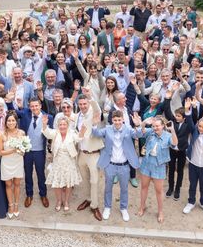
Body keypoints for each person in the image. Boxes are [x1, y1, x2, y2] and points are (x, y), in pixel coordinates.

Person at [91, 110, 145, 222]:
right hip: (110, 164)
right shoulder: (107, 129)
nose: (117, 122)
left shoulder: (128, 129)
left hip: (124, 165)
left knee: (124, 188)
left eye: (119, 120)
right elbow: (96, 134)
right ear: (112, 120)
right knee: (108, 187)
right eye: (115, 120)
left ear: (123, 119)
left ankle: (123, 208)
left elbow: (138, 134)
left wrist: (138, 124)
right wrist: (94, 124)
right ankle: (107, 207)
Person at [6, 96, 53, 208]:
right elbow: (13, 111)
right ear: (29, 107)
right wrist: (8, 102)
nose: (34, 108)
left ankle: (43, 194)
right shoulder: (26, 114)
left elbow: (51, 134)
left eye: (36, 105)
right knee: (28, 173)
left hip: (40, 151)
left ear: (40, 106)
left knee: (41, 173)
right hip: (27, 151)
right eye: (32, 106)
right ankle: (29, 194)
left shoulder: (48, 117)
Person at [138, 116, 178, 223]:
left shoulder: (168, 136)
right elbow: (140, 131)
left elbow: (174, 143)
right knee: (144, 187)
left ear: (163, 126)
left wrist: (173, 130)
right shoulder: (150, 132)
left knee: (159, 191)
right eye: (153, 126)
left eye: (157, 126)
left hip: (159, 165)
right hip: (147, 163)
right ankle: (142, 206)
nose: (155, 128)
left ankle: (160, 211)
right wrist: (144, 123)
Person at [42, 115, 85, 212]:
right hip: (57, 161)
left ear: (67, 125)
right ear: (58, 125)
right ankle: (58, 201)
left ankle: (66, 201)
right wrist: (44, 124)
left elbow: (79, 138)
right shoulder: (55, 133)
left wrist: (83, 129)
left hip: (69, 161)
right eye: (60, 124)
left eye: (64, 124)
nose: (62, 126)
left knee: (68, 183)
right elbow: (47, 133)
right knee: (57, 183)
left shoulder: (72, 133)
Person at [75, 89, 105, 221]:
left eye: (84, 104)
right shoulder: (77, 116)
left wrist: (90, 97)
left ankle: (95, 205)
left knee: (94, 180)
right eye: (80, 104)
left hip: (93, 154)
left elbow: (97, 109)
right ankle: (88, 199)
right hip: (82, 154)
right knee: (85, 179)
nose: (82, 106)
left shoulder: (94, 113)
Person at [0, 111, 25, 218]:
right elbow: (0, 152)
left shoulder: (21, 133)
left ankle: (17, 204)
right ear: (6, 122)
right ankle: (10, 205)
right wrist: (13, 150)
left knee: (17, 184)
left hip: (18, 161)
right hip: (6, 162)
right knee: (8, 185)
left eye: (13, 120)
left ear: (16, 122)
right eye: (9, 120)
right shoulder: (2, 135)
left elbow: (23, 151)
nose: (11, 122)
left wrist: (22, 151)